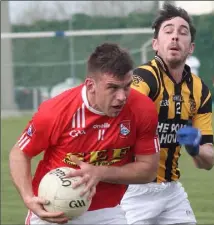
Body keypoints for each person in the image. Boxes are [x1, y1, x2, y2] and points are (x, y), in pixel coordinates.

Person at [9, 43, 160, 225]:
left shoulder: (143, 109)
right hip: (52, 209)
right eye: (112, 88)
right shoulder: (55, 112)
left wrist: (100, 172)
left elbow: (148, 170)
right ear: (91, 85)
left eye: (126, 86)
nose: (122, 96)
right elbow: (20, 153)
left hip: (108, 211)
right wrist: (28, 197)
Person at [120, 3, 214, 225]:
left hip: (171, 192)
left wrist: (195, 148)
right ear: (155, 44)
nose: (175, 37)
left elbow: (208, 161)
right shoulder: (143, 79)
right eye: (168, 31)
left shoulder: (200, 91)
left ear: (190, 47)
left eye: (182, 33)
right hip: (131, 190)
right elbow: (123, 117)